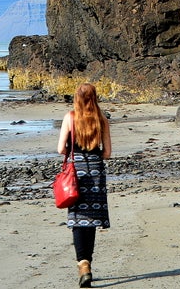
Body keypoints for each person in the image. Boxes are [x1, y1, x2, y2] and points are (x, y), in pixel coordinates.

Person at [57, 83, 112, 288]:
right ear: (95, 97)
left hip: (76, 172)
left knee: (79, 219)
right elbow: (107, 153)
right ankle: (87, 262)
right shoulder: (101, 119)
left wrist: (74, 151)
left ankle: (84, 265)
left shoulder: (70, 118)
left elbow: (61, 148)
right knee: (92, 219)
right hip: (96, 172)